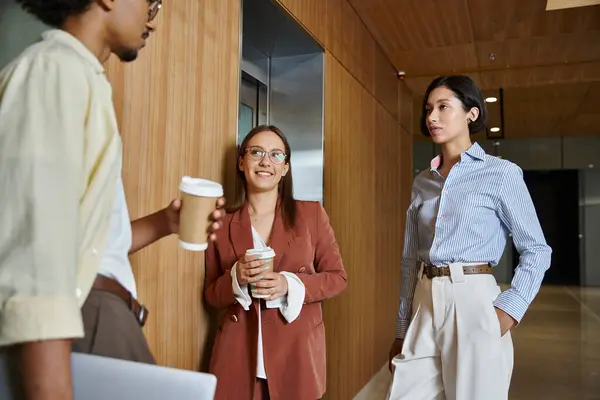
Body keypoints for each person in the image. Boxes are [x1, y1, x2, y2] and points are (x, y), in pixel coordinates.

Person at [0, 1, 225, 399]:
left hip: (102, 319)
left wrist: (165, 223)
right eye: (151, 2)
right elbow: (39, 266)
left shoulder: (80, 80)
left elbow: (90, 245)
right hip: (89, 321)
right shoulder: (56, 72)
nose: (153, 15)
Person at [387, 75, 552, 400]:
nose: (431, 117)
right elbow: (410, 259)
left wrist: (509, 311)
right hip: (425, 299)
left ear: (471, 113)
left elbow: (536, 249)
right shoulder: (423, 182)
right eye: (429, 109)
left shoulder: (501, 174)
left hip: (474, 302)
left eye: (443, 107)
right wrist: (402, 325)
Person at [204, 125, 347, 400]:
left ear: (285, 168)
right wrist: (235, 277)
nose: (265, 161)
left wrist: (288, 284)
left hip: (297, 354)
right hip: (238, 357)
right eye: (256, 152)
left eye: (276, 155)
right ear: (241, 162)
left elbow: (338, 277)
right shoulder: (220, 223)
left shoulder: (311, 215)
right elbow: (211, 293)